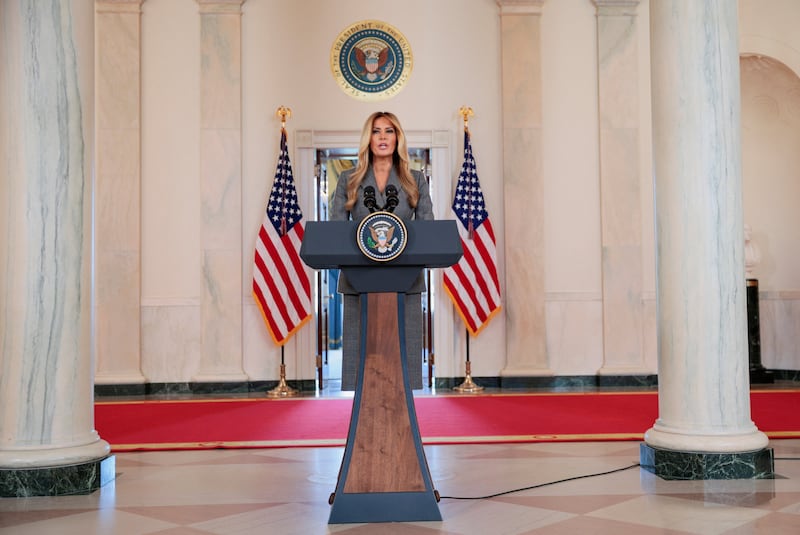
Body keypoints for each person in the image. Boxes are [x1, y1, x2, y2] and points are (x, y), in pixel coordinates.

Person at [329, 111, 434, 390]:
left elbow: (428, 230)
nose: (383, 137)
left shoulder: (415, 179)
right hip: (358, 284)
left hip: (406, 285)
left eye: (389, 131)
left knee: (403, 370)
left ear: (398, 137)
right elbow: (335, 231)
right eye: (376, 131)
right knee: (364, 371)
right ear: (368, 138)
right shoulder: (348, 179)